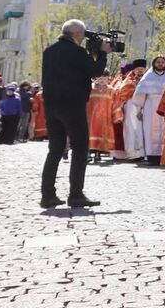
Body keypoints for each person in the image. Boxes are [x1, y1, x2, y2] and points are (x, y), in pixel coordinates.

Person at [40, 19, 112, 209]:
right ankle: (76, 195)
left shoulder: (49, 51)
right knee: (80, 149)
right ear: (78, 34)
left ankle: (47, 195)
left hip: (51, 105)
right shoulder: (77, 52)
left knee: (55, 150)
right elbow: (96, 72)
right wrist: (103, 53)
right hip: (72, 105)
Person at [129, 56, 165, 165]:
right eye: (158, 62)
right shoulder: (148, 76)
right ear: (154, 63)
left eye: (162, 62)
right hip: (150, 105)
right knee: (149, 130)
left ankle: (163, 155)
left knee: (164, 129)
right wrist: (140, 109)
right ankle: (152, 156)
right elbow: (140, 94)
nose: (160, 64)